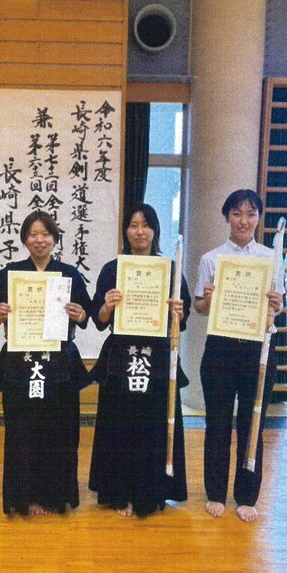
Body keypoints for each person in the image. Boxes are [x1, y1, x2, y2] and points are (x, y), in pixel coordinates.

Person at [0, 210, 92, 516]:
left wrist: (79, 313)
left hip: (59, 362)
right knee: (22, 430)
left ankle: (54, 497)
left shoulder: (68, 274)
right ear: (24, 239)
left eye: (45, 234)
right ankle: (24, 497)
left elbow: (88, 315)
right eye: (33, 234)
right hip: (21, 361)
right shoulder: (11, 273)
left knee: (59, 431)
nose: (39, 240)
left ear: (54, 239)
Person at [88, 204, 191, 517]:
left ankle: (152, 492)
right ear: (126, 231)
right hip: (121, 357)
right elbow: (99, 319)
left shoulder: (170, 269)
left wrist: (178, 312)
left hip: (156, 358)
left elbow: (182, 321)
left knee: (153, 428)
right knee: (120, 427)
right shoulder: (112, 269)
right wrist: (107, 306)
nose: (140, 231)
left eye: (146, 225)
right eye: (133, 225)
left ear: (155, 230)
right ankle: (120, 493)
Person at [194, 189, 284, 523]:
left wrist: (276, 304)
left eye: (250, 214)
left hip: (258, 349)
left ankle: (246, 495)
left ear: (258, 217)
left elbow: (278, 306)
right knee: (217, 422)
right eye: (236, 213)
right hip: (220, 348)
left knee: (252, 423)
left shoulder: (272, 259)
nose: (243, 221)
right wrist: (207, 299)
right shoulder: (212, 259)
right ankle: (216, 493)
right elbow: (199, 308)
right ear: (227, 217)